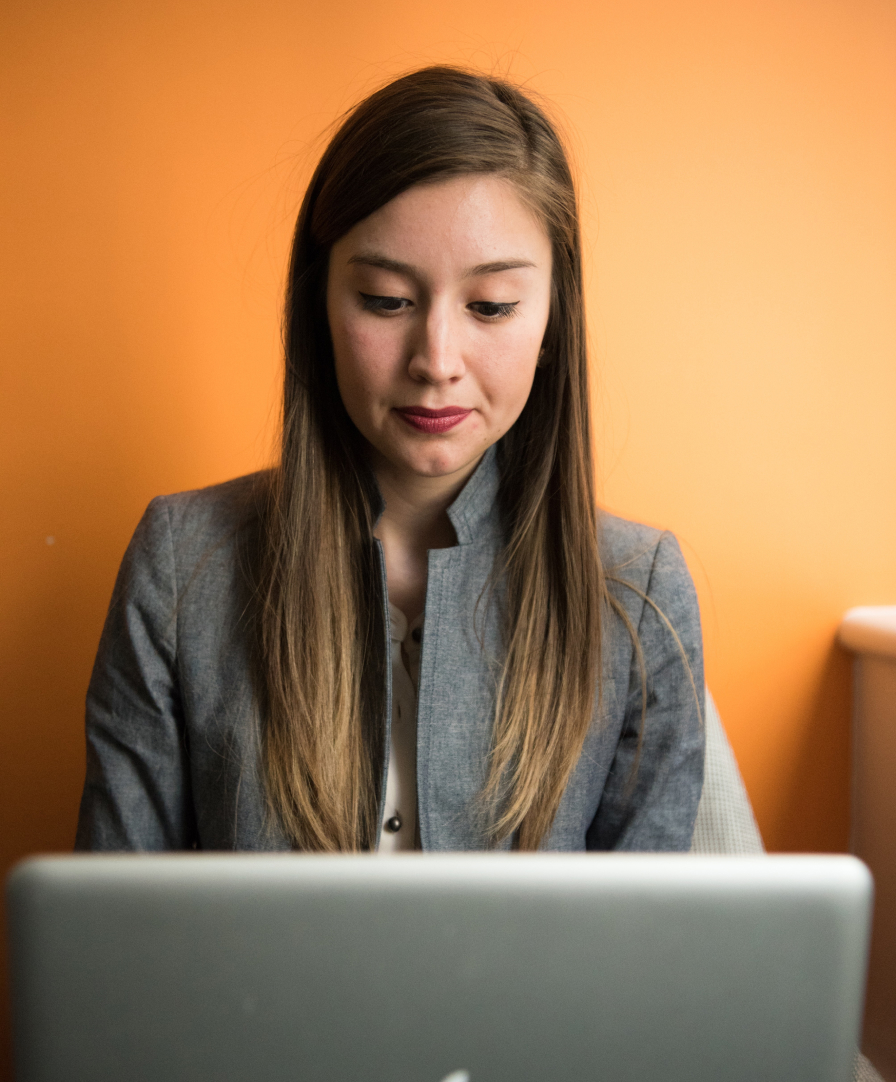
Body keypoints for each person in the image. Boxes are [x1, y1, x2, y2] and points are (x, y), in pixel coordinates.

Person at [75, 66, 704, 854]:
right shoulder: (181, 566)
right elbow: (115, 944)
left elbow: (649, 960)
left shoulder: (638, 592)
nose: (436, 360)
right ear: (320, 306)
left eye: (492, 306)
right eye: (385, 299)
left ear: (552, 322)